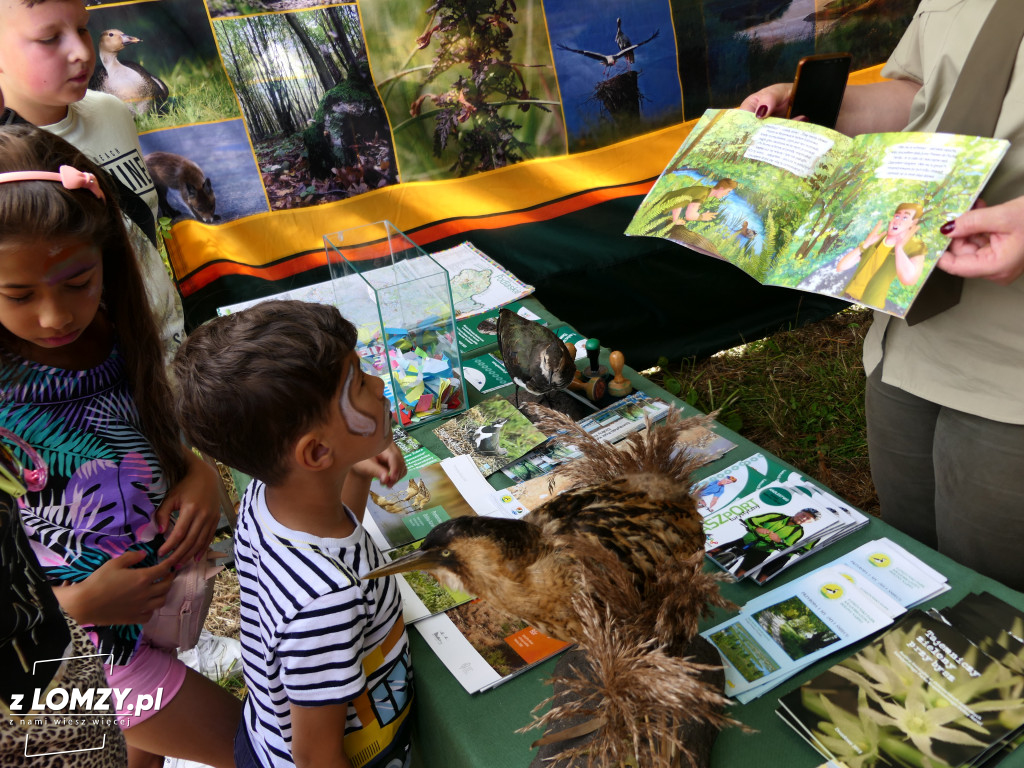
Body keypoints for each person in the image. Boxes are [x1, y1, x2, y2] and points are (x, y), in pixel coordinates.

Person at [739, 0, 1024, 590]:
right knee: (914, 568)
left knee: (991, 601)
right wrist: (824, 111)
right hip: (910, 330)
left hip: (1013, 369)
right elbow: (923, 91)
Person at [0, 125, 240, 768]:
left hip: (160, 602)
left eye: (78, 281)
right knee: (259, 753)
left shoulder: (116, 326)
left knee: (144, 754)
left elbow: (150, 431)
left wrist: (196, 473)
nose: (55, 316)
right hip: (88, 650)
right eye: (17, 295)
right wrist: (74, 606)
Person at [172, 299, 413, 768]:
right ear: (316, 452)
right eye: (360, 384)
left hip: (270, 730)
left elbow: (332, 540)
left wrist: (354, 471)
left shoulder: (265, 499)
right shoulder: (326, 605)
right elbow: (316, 757)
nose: (380, 385)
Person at [0, 0, 184, 366]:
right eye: (50, 37)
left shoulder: (112, 109)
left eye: (83, 28)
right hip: (89, 379)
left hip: (169, 343)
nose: (82, 52)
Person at [836, 202, 926, 307]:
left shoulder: (914, 246)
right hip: (846, 296)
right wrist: (865, 245)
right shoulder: (876, 239)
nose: (898, 220)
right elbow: (841, 267)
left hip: (870, 304)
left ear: (913, 223)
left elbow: (909, 279)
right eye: (897, 216)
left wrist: (899, 249)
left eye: (905, 217)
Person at [706, 508, 820, 578]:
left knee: (743, 572)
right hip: (748, 539)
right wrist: (757, 528)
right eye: (804, 514)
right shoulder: (777, 516)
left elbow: (788, 545)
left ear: (810, 522)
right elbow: (751, 520)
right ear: (799, 512)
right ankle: (704, 557)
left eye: (808, 519)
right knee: (716, 551)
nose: (804, 518)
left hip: (763, 550)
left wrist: (779, 540)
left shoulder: (798, 532)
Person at [656, 177, 738, 225]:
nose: (726, 194)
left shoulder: (704, 190)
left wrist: (675, 219)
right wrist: (702, 217)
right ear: (721, 188)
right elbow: (689, 216)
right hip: (659, 211)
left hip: (661, 205)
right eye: (728, 191)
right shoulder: (702, 194)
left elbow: (679, 203)